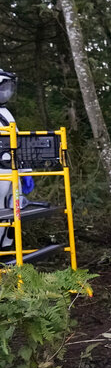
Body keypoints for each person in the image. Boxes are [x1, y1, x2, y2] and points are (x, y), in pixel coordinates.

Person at [0, 69, 32, 251]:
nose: (6, 93)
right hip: (2, 171)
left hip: (10, 170)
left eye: (8, 88)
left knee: (13, 210)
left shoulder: (6, 113)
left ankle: (7, 249)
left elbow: (18, 143)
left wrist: (25, 172)